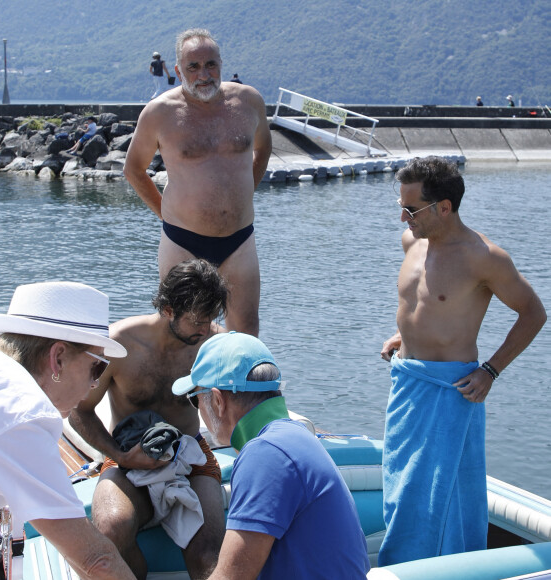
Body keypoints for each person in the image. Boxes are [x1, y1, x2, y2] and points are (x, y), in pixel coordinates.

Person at [379, 156, 547, 566]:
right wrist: (405, 334)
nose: (403, 216)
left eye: (411, 208)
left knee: (445, 494)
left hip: (451, 390)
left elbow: (534, 313)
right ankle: (402, 568)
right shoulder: (411, 242)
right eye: (399, 205)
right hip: (407, 384)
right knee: (400, 488)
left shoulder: (483, 257)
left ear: (445, 207)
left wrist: (491, 370)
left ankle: (448, 569)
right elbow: (424, 303)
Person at [69, 259, 228, 580]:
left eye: (211, 318)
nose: (206, 327)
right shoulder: (118, 345)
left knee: (209, 555)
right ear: (168, 310)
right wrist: (121, 456)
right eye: (198, 320)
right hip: (127, 457)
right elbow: (79, 412)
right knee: (112, 530)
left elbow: (235, 413)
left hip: (192, 455)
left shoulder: (213, 343)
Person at [0, 281, 136, 580]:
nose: (95, 384)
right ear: (57, 358)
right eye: (97, 368)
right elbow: (97, 560)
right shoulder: (23, 412)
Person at [172, 332, 371, 580]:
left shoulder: (265, 455)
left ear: (219, 401)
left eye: (195, 400)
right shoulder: (293, 437)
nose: (198, 410)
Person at [123, 28, 272, 337]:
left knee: (246, 335)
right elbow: (134, 169)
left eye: (211, 64)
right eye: (193, 67)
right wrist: (165, 215)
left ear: (221, 63)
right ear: (178, 71)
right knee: (185, 336)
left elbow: (263, 148)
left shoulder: (249, 101)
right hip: (182, 242)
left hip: (239, 239)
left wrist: (246, 194)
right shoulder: (159, 113)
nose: (204, 74)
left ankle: (231, 388)